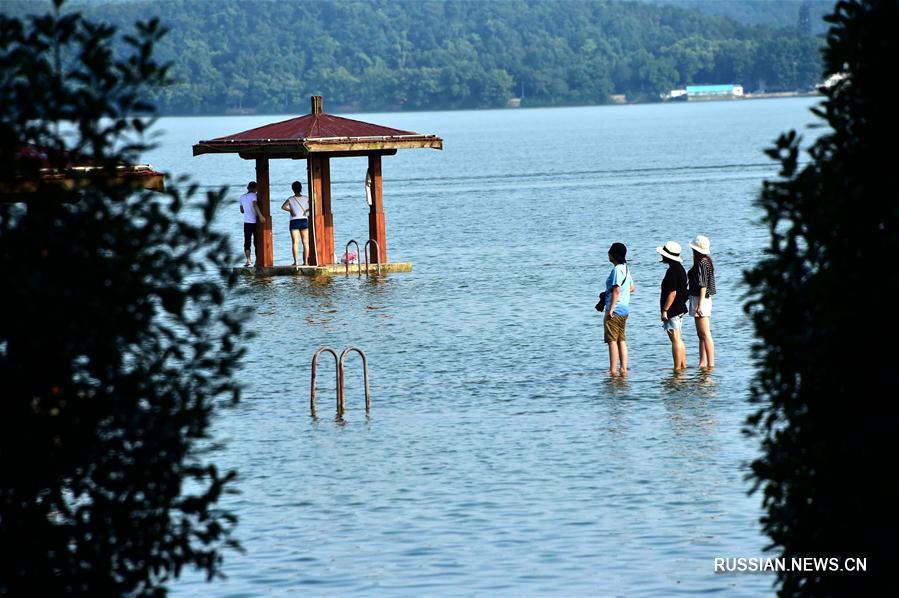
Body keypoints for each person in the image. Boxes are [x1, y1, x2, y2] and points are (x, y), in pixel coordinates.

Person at [603, 242, 635, 376]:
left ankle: (612, 370)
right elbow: (632, 288)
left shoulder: (616, 270)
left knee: (612, 341)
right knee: (621, 339)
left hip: (615, 310)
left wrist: (611, 308)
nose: (608, 254)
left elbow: (616, 289)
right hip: (624, 309)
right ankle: (623, 368)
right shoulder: (625, 269)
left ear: (613, 255)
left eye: (609, 252)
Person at [656, 240, 688, 370]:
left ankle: (677, 368)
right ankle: (683, 365)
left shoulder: (672, 271)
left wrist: (665, 310)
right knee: (678, 338)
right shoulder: (680, 269)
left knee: (675, 339)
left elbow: (672, 293)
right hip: (679, 307)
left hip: (673, 309)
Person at [687, 235, 716, 368]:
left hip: (701, 299)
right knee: (701, 334)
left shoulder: (702, 263)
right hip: (699, 298)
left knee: (705, 333)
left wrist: (699, 305)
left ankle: (710, 363)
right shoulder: (705, 261)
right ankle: (702, 362)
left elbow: (703, 285)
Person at [280, 181, 310, 267]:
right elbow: (313, 205)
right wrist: (306, 211)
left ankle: (296, 262)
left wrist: (291, 210)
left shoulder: (290, 199)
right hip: (304, 220)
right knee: (305, 242)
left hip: (294, 221)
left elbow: (283, 207)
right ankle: (306, 262)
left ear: (293, 189)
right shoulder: (306, 198)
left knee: (295, 242)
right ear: (301, 188)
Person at [239, 181, 265, 267]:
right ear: (255, 188)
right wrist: (260, 216)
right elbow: (255, 205)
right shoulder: (254, 196)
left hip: (246, 222)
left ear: (248, 188)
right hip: (255, 222)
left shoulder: (242, 197)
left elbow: (242, 211)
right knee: (256, 242)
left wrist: (247, 208)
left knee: (247, 242)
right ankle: (257, 261)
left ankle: (248, 260)